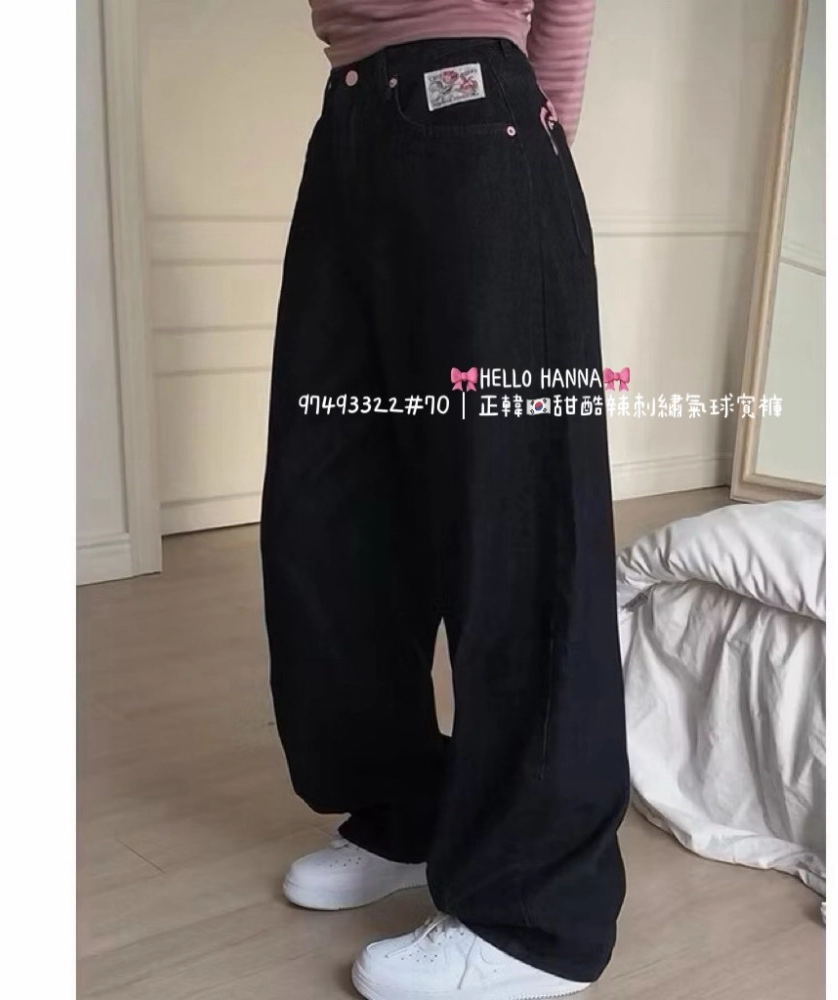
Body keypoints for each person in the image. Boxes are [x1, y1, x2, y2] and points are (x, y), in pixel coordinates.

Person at [260, 2, 630, 998]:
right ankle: (405, 807)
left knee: (520, 522)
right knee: (332, 512)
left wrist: (523, 153)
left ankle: (537, 914)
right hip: (350, 126)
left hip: (479, 120)